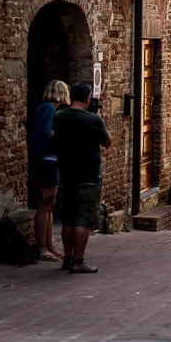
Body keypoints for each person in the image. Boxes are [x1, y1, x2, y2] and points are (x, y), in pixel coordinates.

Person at [51, 82, 112, 273]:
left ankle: (67, 258)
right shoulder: (92, 120)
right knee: (83, 218)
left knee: (68, 218)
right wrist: (99, 121)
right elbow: (107, 142)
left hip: (66, 173)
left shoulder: (58, 117)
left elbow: (52, 137)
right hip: (88, 175)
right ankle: (78, 261)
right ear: (87, 99)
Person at [28, 80, 70, 262]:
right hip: (47, 162)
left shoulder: (47, 108)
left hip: (50, 162)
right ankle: (42, 248)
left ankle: (50, 245)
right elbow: (45, 132)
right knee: (44, 206)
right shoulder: (48, 109)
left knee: (49, 206)